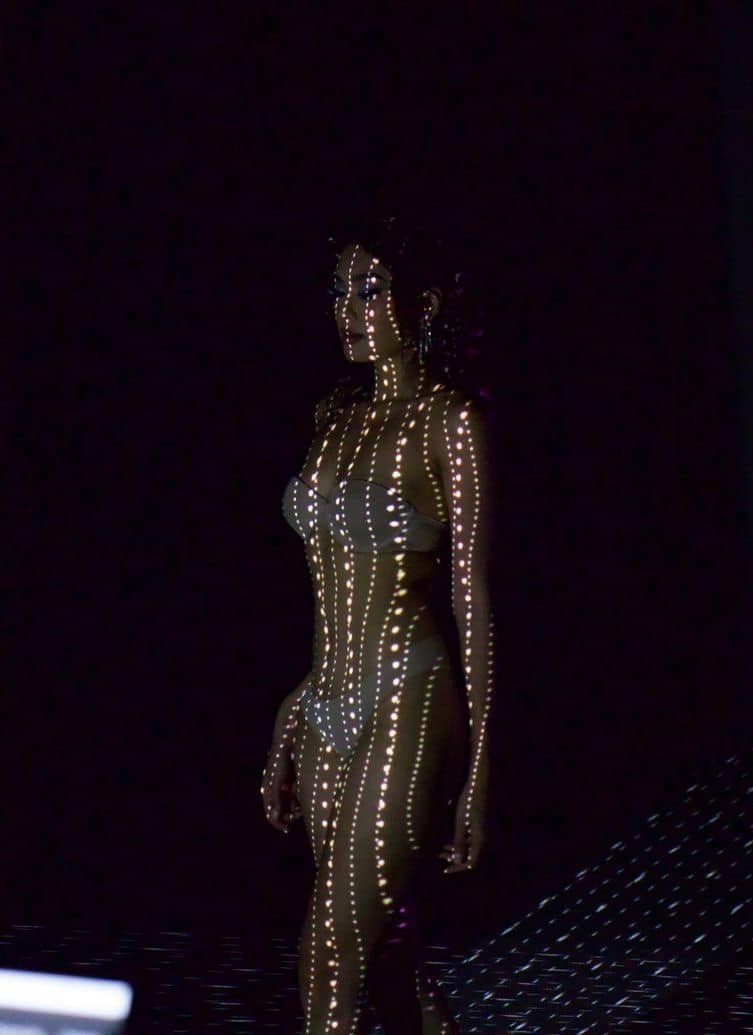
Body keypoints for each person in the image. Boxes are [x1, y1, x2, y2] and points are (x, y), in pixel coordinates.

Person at [261, 214, 495, 1034]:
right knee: (389, 957)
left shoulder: (448, 421)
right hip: (327, 705)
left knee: (330, 947)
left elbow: (470, 596)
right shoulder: (336, 414)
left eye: (369, 289)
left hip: (407, 691)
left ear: (420, 304)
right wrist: (298, 699)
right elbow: (336, 582)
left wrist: (479, 771)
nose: (349, 309)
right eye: (339, 290)